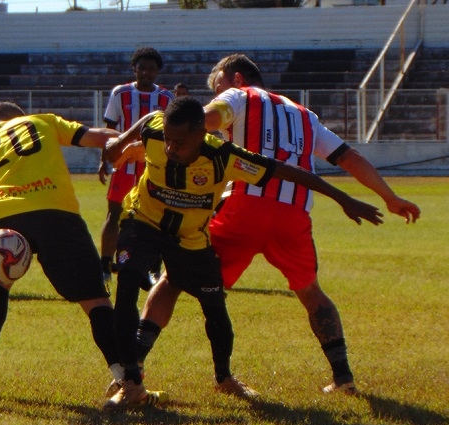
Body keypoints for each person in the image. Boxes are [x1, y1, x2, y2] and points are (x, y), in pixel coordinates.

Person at [136, 54, 421, 398]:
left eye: (218, 87)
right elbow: (349, 157)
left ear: (236, 78)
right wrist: (389, 197)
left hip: (245, 205)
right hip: (294, 212)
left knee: (174, 279)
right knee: (311, 291)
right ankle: (344, 377)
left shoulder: (238, 97)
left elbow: (203, 122)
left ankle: (132, 368)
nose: (216, 93)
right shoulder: (305, 115)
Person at [102, 96, 384, 410]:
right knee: (126, 285)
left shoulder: (225, 157)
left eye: (180, 142)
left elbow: (286, 172)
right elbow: (148, 121)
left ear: (202, 133)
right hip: (143, 221)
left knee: (214, 305)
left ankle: (224, 378)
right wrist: (116, 146)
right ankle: (131, 382)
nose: (170, 148)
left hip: (190, 238)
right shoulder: (156, 131)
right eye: (168, 140)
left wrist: (344, 198)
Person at [0, 102, 160, 404]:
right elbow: (99, 136)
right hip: (56, 211)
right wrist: (134, 146)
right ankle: (124, 380)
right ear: (19, 116)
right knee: (95, 301)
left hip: (6, 217)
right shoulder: (41, 121)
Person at [98, 47, 175, 293]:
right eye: (142, 67)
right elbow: (109, 129)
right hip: (124, 163)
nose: (146, 72)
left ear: (157, 72)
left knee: (157, 215)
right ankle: (105, 265)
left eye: (151, 68)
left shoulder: (166, 98)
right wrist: (104, 160)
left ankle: (153, 266)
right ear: (135, 69)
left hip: (154, 164)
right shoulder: (120, 93)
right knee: (115, 213)